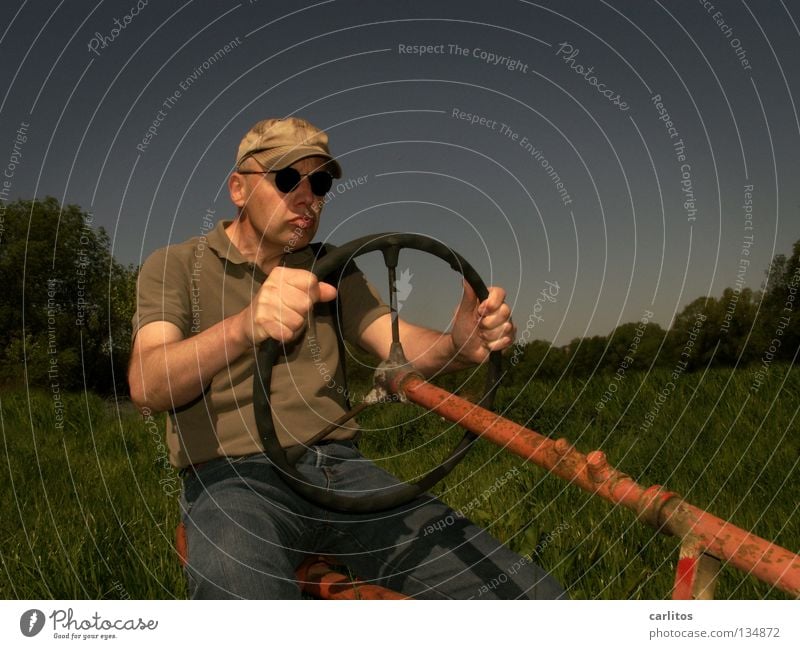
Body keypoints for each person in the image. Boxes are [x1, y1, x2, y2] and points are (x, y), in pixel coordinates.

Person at [128, 116, 565, 599]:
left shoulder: (331, 265)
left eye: (318, 183)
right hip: (233, 480)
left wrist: (459, 344)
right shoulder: (175, 265)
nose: (306, 196)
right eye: (286, 179)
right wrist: (246, 325)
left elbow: (393, 342)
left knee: (524, 594)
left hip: (344, 472)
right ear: (238, 188)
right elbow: (149, 383)